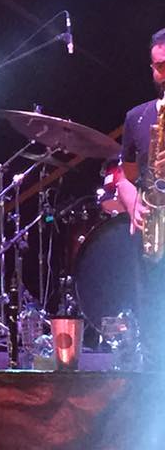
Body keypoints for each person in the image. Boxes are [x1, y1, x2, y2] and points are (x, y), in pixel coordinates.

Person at [111, 27, 165, 369]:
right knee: (155, 323)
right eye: (159, 66)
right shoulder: (138, 117)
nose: (164, 73)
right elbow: (122, 174)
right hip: (154, 231)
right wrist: (131, 199)